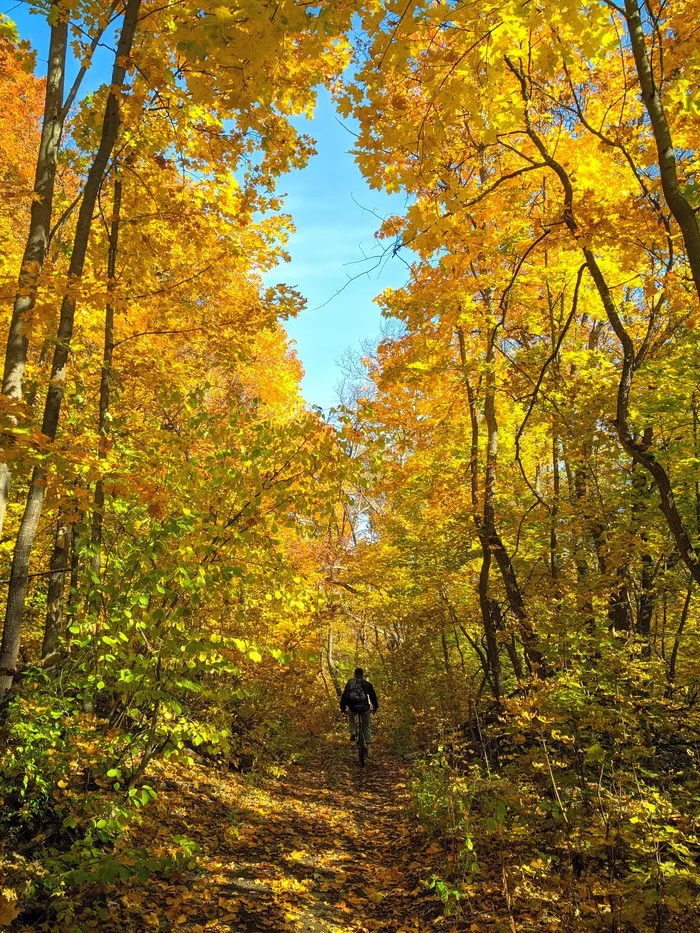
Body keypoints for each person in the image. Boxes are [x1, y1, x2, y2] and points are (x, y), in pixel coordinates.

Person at [340, 667, 379, 748]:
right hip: (364, 707)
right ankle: (368, 745)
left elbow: (344, 697)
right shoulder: (366, 684)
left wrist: (343, 709)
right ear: (362, 675)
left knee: (351, 716)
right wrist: (375, 707)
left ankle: (353, 732)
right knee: (366, 725)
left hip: (353, 707)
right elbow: (373, 697)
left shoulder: (350, 683)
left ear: (354, 674)